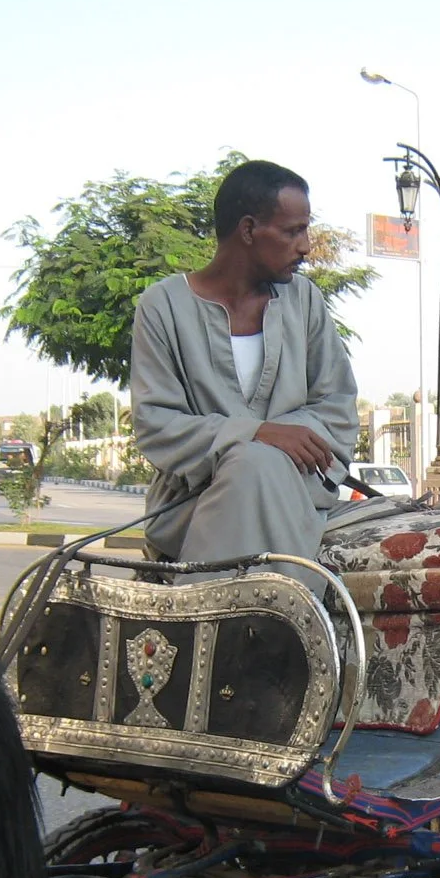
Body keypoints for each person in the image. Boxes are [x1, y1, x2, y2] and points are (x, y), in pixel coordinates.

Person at [130, 159, 359, 573]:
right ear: (249, 230)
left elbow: (337, 407)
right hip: (193, 502)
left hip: (295, 495)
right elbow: (155, 423)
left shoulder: (304, 301)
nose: (306, 246)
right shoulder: (162, 306)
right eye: (293, 231)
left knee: (257, 465)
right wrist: (256, 435)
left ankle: (207, 619)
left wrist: (272, 452)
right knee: (252, 463)